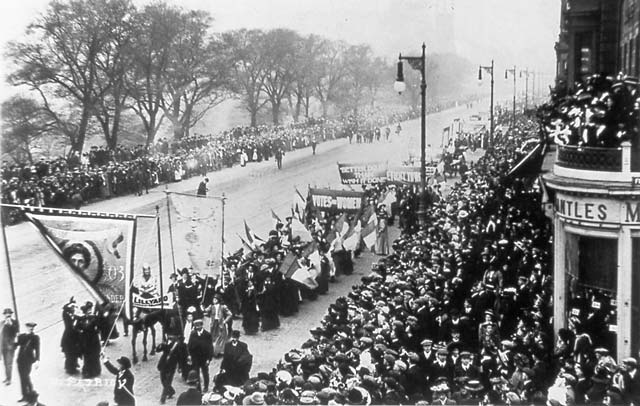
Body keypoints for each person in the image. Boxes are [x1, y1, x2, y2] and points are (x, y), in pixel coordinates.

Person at [156, 334, 188, 404]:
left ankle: (162, 399)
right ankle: (171, 391)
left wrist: (180, 367)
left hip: (171, 367)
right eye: (169, 339)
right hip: (163, 365)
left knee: (167, 382)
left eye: (171, 339)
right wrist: (161, 345)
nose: (170, 340)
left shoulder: (179, 347)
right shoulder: (166, 345)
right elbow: (158, 350)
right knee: (163, 380)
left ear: (175, 340)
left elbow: (180, 358)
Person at [15, 321, 40, 402]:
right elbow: (16, 345)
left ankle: (32, 395)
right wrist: (16, 338)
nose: (31, 328)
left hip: (28, 360)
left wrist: (37, 360)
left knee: (26, 377)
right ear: (26, 327)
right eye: (29, 327)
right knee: (22, 378)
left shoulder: (35, 337)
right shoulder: (22, 336)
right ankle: (25, 396)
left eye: (32, 327)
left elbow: (37, 349)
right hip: (20, 360)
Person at [187, 319, 213, 392]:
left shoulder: (207, 335)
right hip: (195, 358)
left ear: (202, 325)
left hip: (204, 358)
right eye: (196, 326)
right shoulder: (193, 334)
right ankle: (198, 388)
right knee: (196, 373)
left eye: (199, 326)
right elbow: (189, 346)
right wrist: (189, 355)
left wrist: (209, 359)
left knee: (205, 373)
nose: (197, 327)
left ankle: (206, 386)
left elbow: (210, 348)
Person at [1, 308, 18, 385]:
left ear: (11, 315)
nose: (7, 317)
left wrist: (11, 325)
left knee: (9, 363)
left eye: (9, 315)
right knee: (5, 363)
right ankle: (7, 377)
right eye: (6, 315)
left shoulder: (14, 323)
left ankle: (9, 379)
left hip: (10, 347)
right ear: (4, 315)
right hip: (3, 347)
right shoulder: (1, 323)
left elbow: (15, 333)